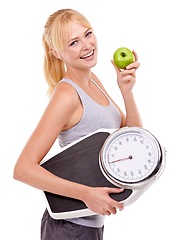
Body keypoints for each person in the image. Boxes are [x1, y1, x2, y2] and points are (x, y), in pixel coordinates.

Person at [13, 8, 143, 240]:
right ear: (55, 51)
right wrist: (86, 194)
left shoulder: (94, 80)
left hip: (89, 224)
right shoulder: (67, 95)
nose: (86, 45)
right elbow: (23, 169)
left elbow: (132, 139)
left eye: (88, 34)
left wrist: (126, 92)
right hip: (71, 227)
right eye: (73, 42)